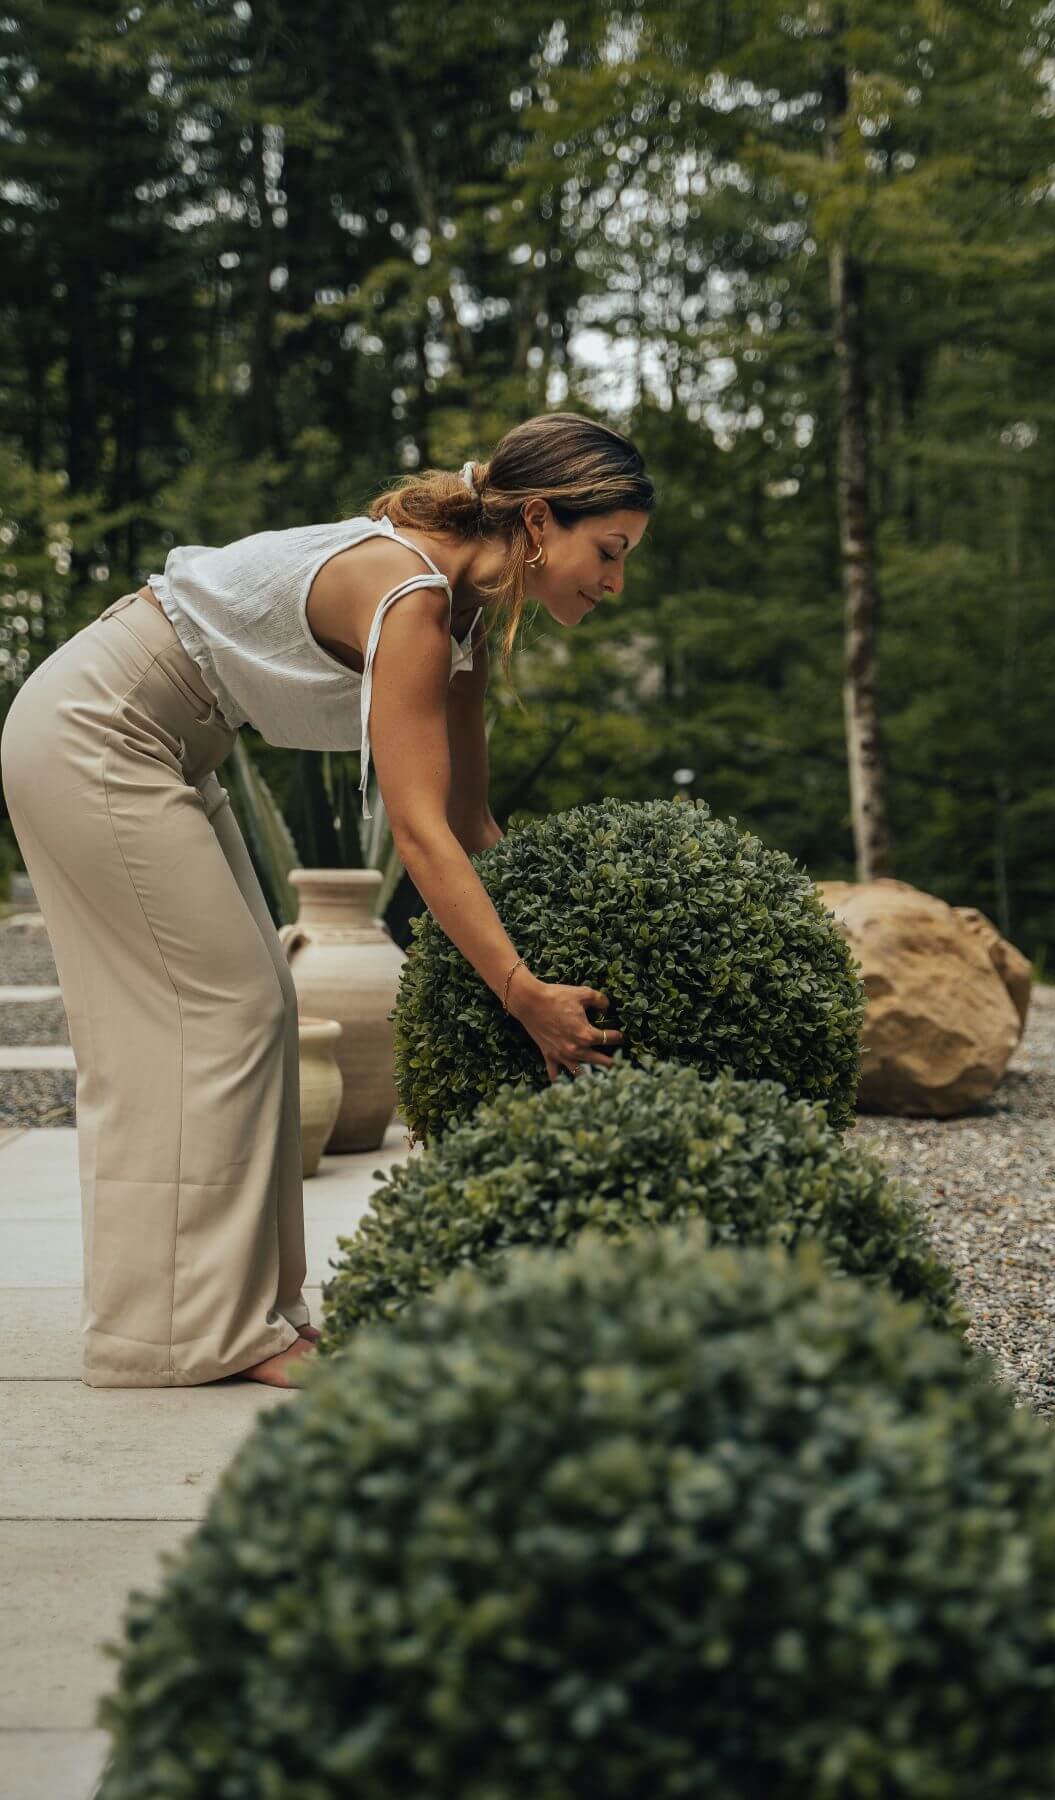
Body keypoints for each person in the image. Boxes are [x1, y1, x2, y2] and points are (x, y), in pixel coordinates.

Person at [0, 411, 654, 1390]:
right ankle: (192, 1334)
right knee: (229, 1013)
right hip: (97, 726)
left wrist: (559, 945)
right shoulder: (413, 598)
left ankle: (248, 1315)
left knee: (257, 1014)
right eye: (607, 551)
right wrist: (519, 992)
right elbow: (422, 835)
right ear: (538, 523)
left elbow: (474, 823)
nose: (613, 580)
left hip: (177, 743)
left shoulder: (465, 623)